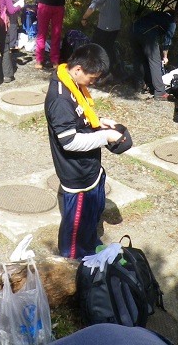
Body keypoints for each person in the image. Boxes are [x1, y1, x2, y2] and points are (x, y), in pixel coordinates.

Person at [45, 43, 125, 258]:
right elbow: (69, 141)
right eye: (92, 78)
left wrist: (99, 122)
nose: (94, 82)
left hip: (90, 168)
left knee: (91, 217)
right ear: (78, 68)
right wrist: (105, 137)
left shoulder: (73, 82)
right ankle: (72, 267)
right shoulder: (61, 98)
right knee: (74, 230)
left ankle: (89, 248)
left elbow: (80, 117)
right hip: (77, 174)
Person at [81, 0, 121, 77]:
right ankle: (109, 72)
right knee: (109, 48)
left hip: (105, 26)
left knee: (96, 49)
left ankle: (97, 73)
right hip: (116, 25)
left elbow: (92, 7)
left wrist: (84, 18)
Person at [131, 9, 177, 101]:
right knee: (155, 62)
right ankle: (160, 92)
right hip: (148, 33)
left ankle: (140, 85)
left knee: (139, 59)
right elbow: (167, 41)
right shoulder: (171, 22)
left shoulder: (156, 14)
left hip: (133, 30)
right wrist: (165, 57)